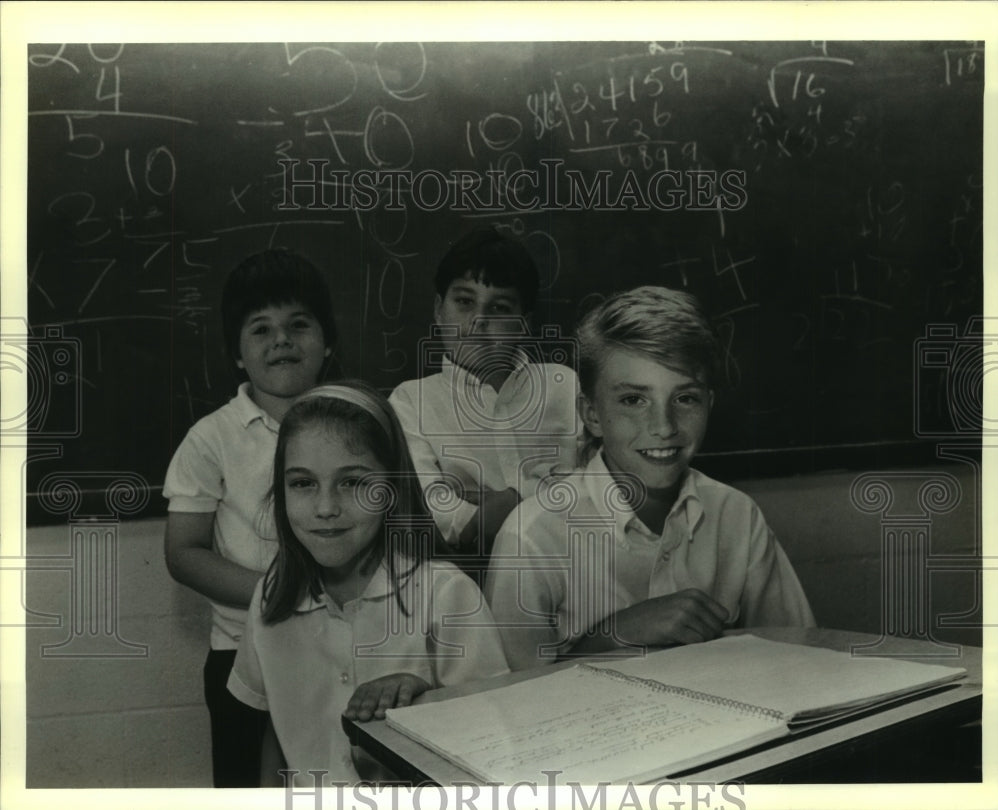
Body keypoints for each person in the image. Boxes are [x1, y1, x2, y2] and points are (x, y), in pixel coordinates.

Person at [485, 286, 815, 670]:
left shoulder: (737, 516)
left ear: (709, 403)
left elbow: (797, 662)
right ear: (591, 414)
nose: (663, 427)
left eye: (685, 398)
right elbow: (510, 709)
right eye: (633, 400)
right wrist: (611, 636)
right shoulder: (532, 537)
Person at [226, 383, 510, 786]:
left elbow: (493, 745)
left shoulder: (446, 595)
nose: (326, 508)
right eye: (303, 483)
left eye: (353, 482)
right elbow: (278, 730)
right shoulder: (272, 596)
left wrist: (425, 697)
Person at [163, 249, 338, 787]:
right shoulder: (211, 437)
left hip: (341, 650)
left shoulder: (357, 423)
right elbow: (184, 551)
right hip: (241, 654)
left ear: (327, 342)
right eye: (260, 329)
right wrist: (276, 595)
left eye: (298, 325)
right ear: (237, 355)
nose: (281, 340)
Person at [388, 226, 580, 577]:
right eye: (464, 302)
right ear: (438, 310)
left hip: (573, 568)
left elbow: (596, 481)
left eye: (500, 307)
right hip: (463, 578)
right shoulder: (410, 401)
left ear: (524, 324)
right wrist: (480, 517)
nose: (479, 321)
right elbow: (425, 503)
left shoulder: (564, 387)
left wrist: (511, 500)